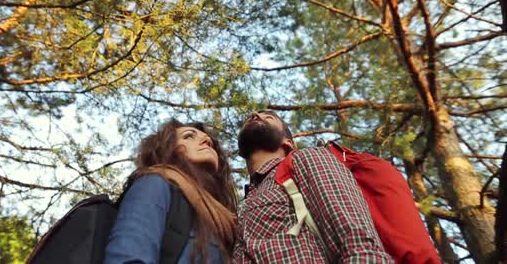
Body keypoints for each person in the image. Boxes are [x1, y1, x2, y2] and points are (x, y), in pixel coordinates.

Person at [232, 110, 394, 263]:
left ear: (288, 143)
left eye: (268, 118)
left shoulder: (305, 159)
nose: (254, 114)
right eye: (251, 117)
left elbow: (359, 245)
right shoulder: (242, 206)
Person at [104, 119, 238, 264]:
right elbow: (128, 257)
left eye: (209, 140)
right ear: (168, 148)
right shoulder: (155, 183)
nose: (207, 141)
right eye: (188, 136)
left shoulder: (227, 222)